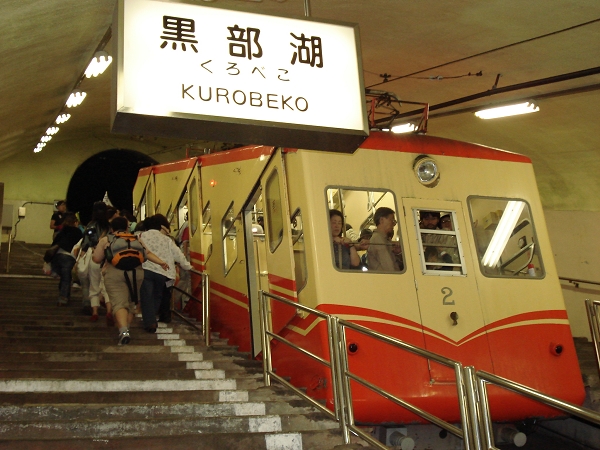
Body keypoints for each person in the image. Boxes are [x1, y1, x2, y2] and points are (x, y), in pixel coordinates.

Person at [93, 216, 169, 345]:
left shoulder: (106, 239)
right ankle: (126, 328)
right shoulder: (136, 239)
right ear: (127, 227)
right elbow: (147, 253)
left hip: (115, 273)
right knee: (131, 303)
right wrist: (161, 262)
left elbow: (96, 259)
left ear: (112, 228)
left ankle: (124, 332)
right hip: (136, 273)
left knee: (119, 302)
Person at [139, 214, 192, 333]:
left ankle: (150, 321)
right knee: (157, 296)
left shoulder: (140, 236)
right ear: (161, 226)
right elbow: (178, 254)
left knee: (147, 296)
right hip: (163, 272)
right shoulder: (167, 239)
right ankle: (152, 319)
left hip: (145, 270)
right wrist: (188, 266)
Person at [83, 201, 113, 323]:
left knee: (94, 286)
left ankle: (95, 312)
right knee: (107, 287)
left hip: (94, 257)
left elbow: (86, 242)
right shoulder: (109, 227)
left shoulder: (90, 225)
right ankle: (109, 311)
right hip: (107, 258)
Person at [51, 212, 83, 305]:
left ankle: (65, 295)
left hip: (58, 255)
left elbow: (54, 244)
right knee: (66, 278)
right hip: (69, 256)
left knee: (64, 277)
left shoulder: (62, 231)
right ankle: (63, 298)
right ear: (74, 222)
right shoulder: (77, 232)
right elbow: (80, 245)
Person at [367, 207, 402, 272]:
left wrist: (397, 253)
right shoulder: (377, 239)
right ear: (382, 220)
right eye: (392, 220)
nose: (393, 224)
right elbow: (388, 267)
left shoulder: (385, 240)